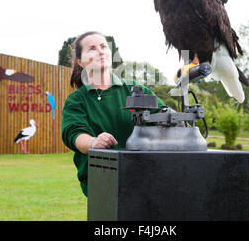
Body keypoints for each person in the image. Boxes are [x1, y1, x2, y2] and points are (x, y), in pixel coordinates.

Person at [61, 31, 169, 197]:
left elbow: (164, 116)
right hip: (103, 181)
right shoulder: (77, 100)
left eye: (104, 46)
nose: (100, 51)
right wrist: (94, 142)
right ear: (80, 62)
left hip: (145, 175)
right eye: (92, 49)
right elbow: (73, 133)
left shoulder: (134, 89)